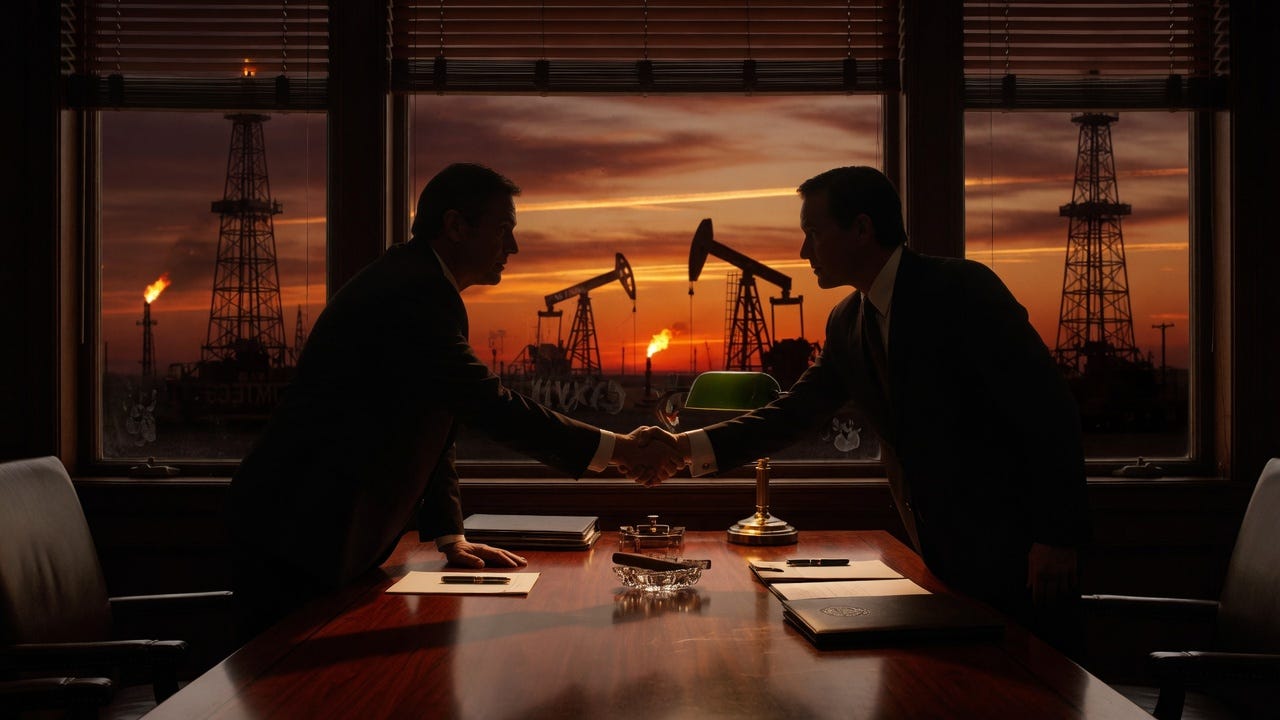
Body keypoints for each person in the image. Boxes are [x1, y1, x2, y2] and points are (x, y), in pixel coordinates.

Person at [230, 163, 678, 637]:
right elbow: (486, 403)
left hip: (316, 529)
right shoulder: (415, 293)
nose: (513, 247)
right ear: (456, 226)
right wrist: (621, 451)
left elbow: (435, 414)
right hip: (298, 533)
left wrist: (451, 534)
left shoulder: (418, 283)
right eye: (504, 229)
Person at [661, 166, 1090, 652]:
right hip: (938, 561)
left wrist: (1057, 537)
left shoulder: (964, 291)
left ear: (862, 229)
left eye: (813, 234)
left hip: (1023, 562)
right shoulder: (847, 323)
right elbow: (791, 414)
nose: (805, 252)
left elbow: (1049, 411)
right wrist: (683, 449)